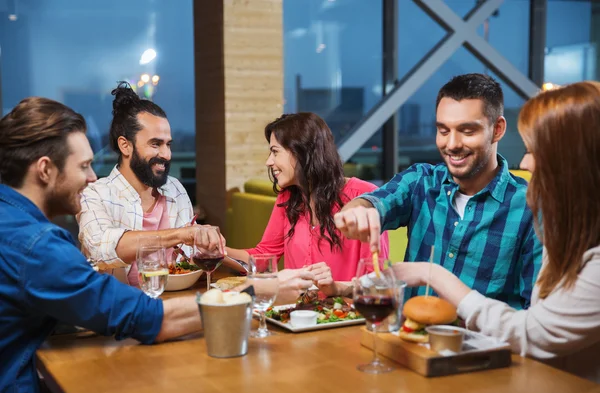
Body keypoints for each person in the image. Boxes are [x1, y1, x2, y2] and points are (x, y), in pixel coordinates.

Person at [392, 81, 600, 382]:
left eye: (535, 150)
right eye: (443, 129)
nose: (526, 162)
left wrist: (433, 274)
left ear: (575, 163)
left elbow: (533, 332)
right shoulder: (570, 232)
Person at [0, 97, 203, 393]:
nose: (92, 177)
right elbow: (146, 318)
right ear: (45, 170)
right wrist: (252, 293)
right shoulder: (37, 246)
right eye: (83, 166)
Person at [334, 73, 542, 309]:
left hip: (483, 345)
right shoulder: (421, 180)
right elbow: (374, 202)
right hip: (408, 340)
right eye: (443, 131)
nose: (451, 144)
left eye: (467, 131)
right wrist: (356, 211)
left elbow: (533, 313)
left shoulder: (531, 206)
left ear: (497, 129)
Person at [226, 112, 389, 297]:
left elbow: (376, 280)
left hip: (345, 317)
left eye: (275, 151)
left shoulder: (364, 198)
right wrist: (215, 251)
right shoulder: (288, 198)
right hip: (296, 318)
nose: (269, 161)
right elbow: (263, 259)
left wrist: (336, 288)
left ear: (300, 151)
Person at [78, 82, 218, 286]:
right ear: (125, 145)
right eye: (155, 144)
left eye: (168, 144)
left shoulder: (175, 189)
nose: (166, 154)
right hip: (117, 312)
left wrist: (205, 244)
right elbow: (101, 250)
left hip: (174, 302)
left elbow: (187, 260)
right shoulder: (94, 195)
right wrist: (181, 234)